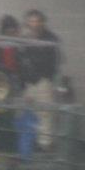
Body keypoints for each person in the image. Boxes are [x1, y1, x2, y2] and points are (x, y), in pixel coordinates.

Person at [20, 8, 62, 148]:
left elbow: (54, 61)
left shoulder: (50, 38)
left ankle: (45, 144)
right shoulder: (24, 39)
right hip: (29, 82)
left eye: (37, 21)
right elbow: (21, 59)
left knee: (45, 113)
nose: (34, 24)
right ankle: (30, 144)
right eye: (31, 21)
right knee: (28, 112)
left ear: (42, 22)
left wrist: (49, 78)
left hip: (43, 80)